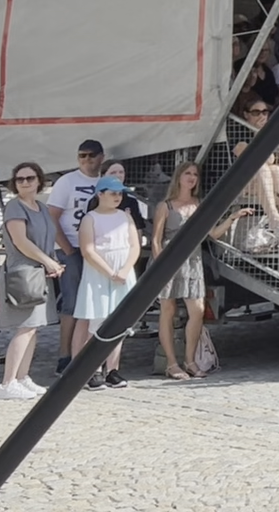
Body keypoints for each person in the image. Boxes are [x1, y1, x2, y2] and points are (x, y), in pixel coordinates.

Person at [154, 163, 253, 378]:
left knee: (197, 310)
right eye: (187, 173)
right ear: (179, 177)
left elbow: (213, 234)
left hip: (193, 260)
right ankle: (172, 363)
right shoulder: (166, 206)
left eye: (195, 174)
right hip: (170, 260)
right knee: (168, 311)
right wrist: (160, 265)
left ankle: (190, 360)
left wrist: (232, 218)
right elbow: (156, 239)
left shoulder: (199, 204)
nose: (192, 177)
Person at [0, 162, 58, 399]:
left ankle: (22, 377)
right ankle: (7, 382)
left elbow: (45, 239)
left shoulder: (41, 208)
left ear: (39, 180)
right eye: (20, 179)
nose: (24, 182)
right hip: (23, 272)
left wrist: (51, 262)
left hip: (39, 271)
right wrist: (48, 261)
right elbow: (21, 242)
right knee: (25, 326)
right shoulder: (14, 207)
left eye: (29, 178)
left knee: (34, 327)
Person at [46, 138, 107, 375]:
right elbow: (52, 217)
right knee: (71, 303)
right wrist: (68, 250)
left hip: (98, 249)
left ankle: (91, 354)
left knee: (96, 304)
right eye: (82, 155)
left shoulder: (104, 182)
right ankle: (64, 356)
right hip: (71, 246)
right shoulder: (67, 182)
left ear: (101, 156)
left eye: (91, 155)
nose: (87, 159)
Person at [75, 177, 140, 390]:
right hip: (99, 274)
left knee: (119, 322)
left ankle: (113, 369)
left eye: (119, 194)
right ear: (100, 194)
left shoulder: (125, 217)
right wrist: (110, 272)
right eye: (112, 193)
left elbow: (134, 246)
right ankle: (91, 369)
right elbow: (88, 250)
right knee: (97, 322)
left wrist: (124, 270)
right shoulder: (90, 219)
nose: (117, 197)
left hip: (122, 272)